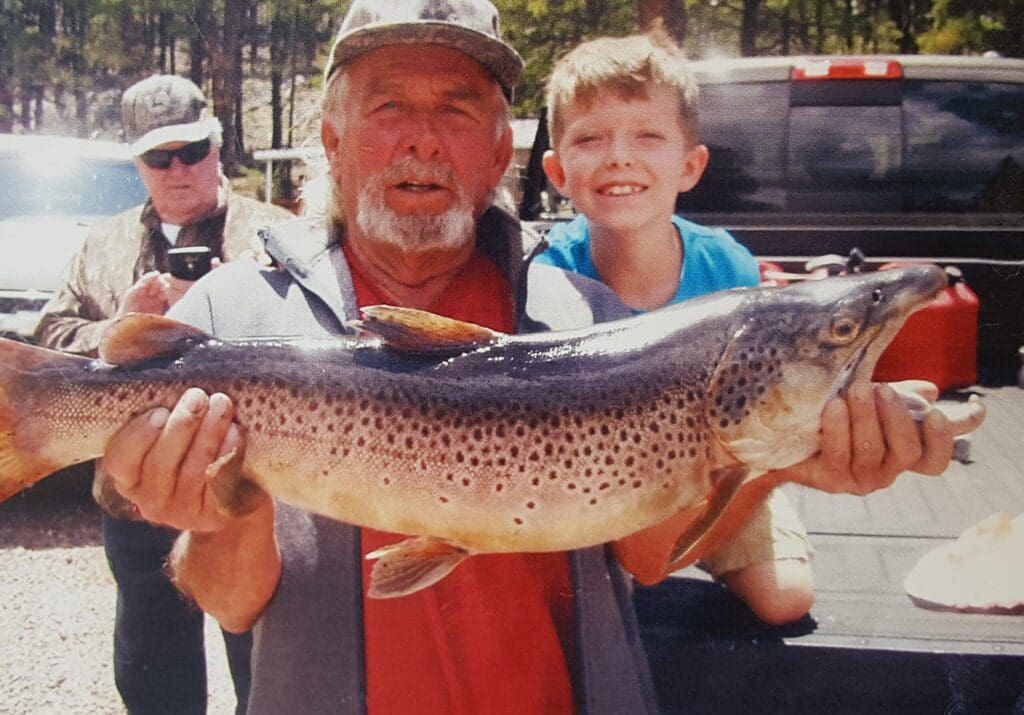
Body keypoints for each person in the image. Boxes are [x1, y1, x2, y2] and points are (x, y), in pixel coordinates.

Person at [96, 2, 983, 713]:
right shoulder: (231, 319)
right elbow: (232, 602)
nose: (421, 137)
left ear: (497, 152)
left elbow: (641, 553)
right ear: (331, 138)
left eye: (456, 109)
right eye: (388, 106)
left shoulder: (581, 314)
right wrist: (220, 514)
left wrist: (784, 461)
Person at [535, 31, 813, 625]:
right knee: (598, 616)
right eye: (590, 138)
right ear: (558, 172)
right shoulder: (549, 275)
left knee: (786, 597)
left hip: (720, 474)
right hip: (603, 484)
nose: (619, 156)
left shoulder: (729, 266)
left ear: (690, 165)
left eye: (648, 136)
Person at [34, 74, 292, 714]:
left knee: (266, 654)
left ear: (217, 144)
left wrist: (229, 312)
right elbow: (51, 335)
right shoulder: (104, 242)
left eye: (192, 151)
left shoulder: (279, 235)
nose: (178, 169)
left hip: (257, 482)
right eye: (158, 156)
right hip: (134, 488)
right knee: (150, 654)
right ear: (138, 164)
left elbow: (324, 339)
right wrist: (118, 329)